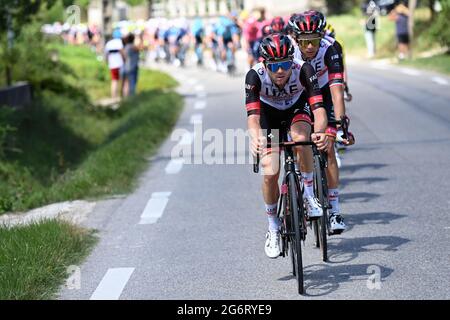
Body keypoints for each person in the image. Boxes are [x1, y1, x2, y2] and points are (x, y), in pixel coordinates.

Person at [245, 33, 329, 258]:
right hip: (268, 116)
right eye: (275, 66)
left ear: (292, 61)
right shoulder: (255, 75)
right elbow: (253, 117)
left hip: (296, 109)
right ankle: (272, 226)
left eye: (285, 64)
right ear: (265, 64)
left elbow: (319, 110)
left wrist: (319, 132)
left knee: (302, 139)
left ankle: (310, 195)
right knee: (270, 171)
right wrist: (256, 138)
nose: (280, 71)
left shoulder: (304, 70)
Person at [290, 11, 356, 235]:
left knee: (328, 147)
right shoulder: (289, 51)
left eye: (314, 40)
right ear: (296, 39)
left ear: (322, 36)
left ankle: (335, 210)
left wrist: (340, 123)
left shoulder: (331, 48)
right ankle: (298, 183)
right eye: (305, 41)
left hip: (325, 94)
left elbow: (337, 91)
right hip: (300, 96)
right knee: (298, 140)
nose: (310, 46)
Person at [104, 29, 125, 99]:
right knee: (123, 81)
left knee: (114, 81)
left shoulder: (109, 43)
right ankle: (122, 96)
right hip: (120, 64)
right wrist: (125, 60)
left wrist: (107, 62)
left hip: (112, 65)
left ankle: (113, 97)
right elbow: (122, 53)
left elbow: (106, 55)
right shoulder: (120, 42)